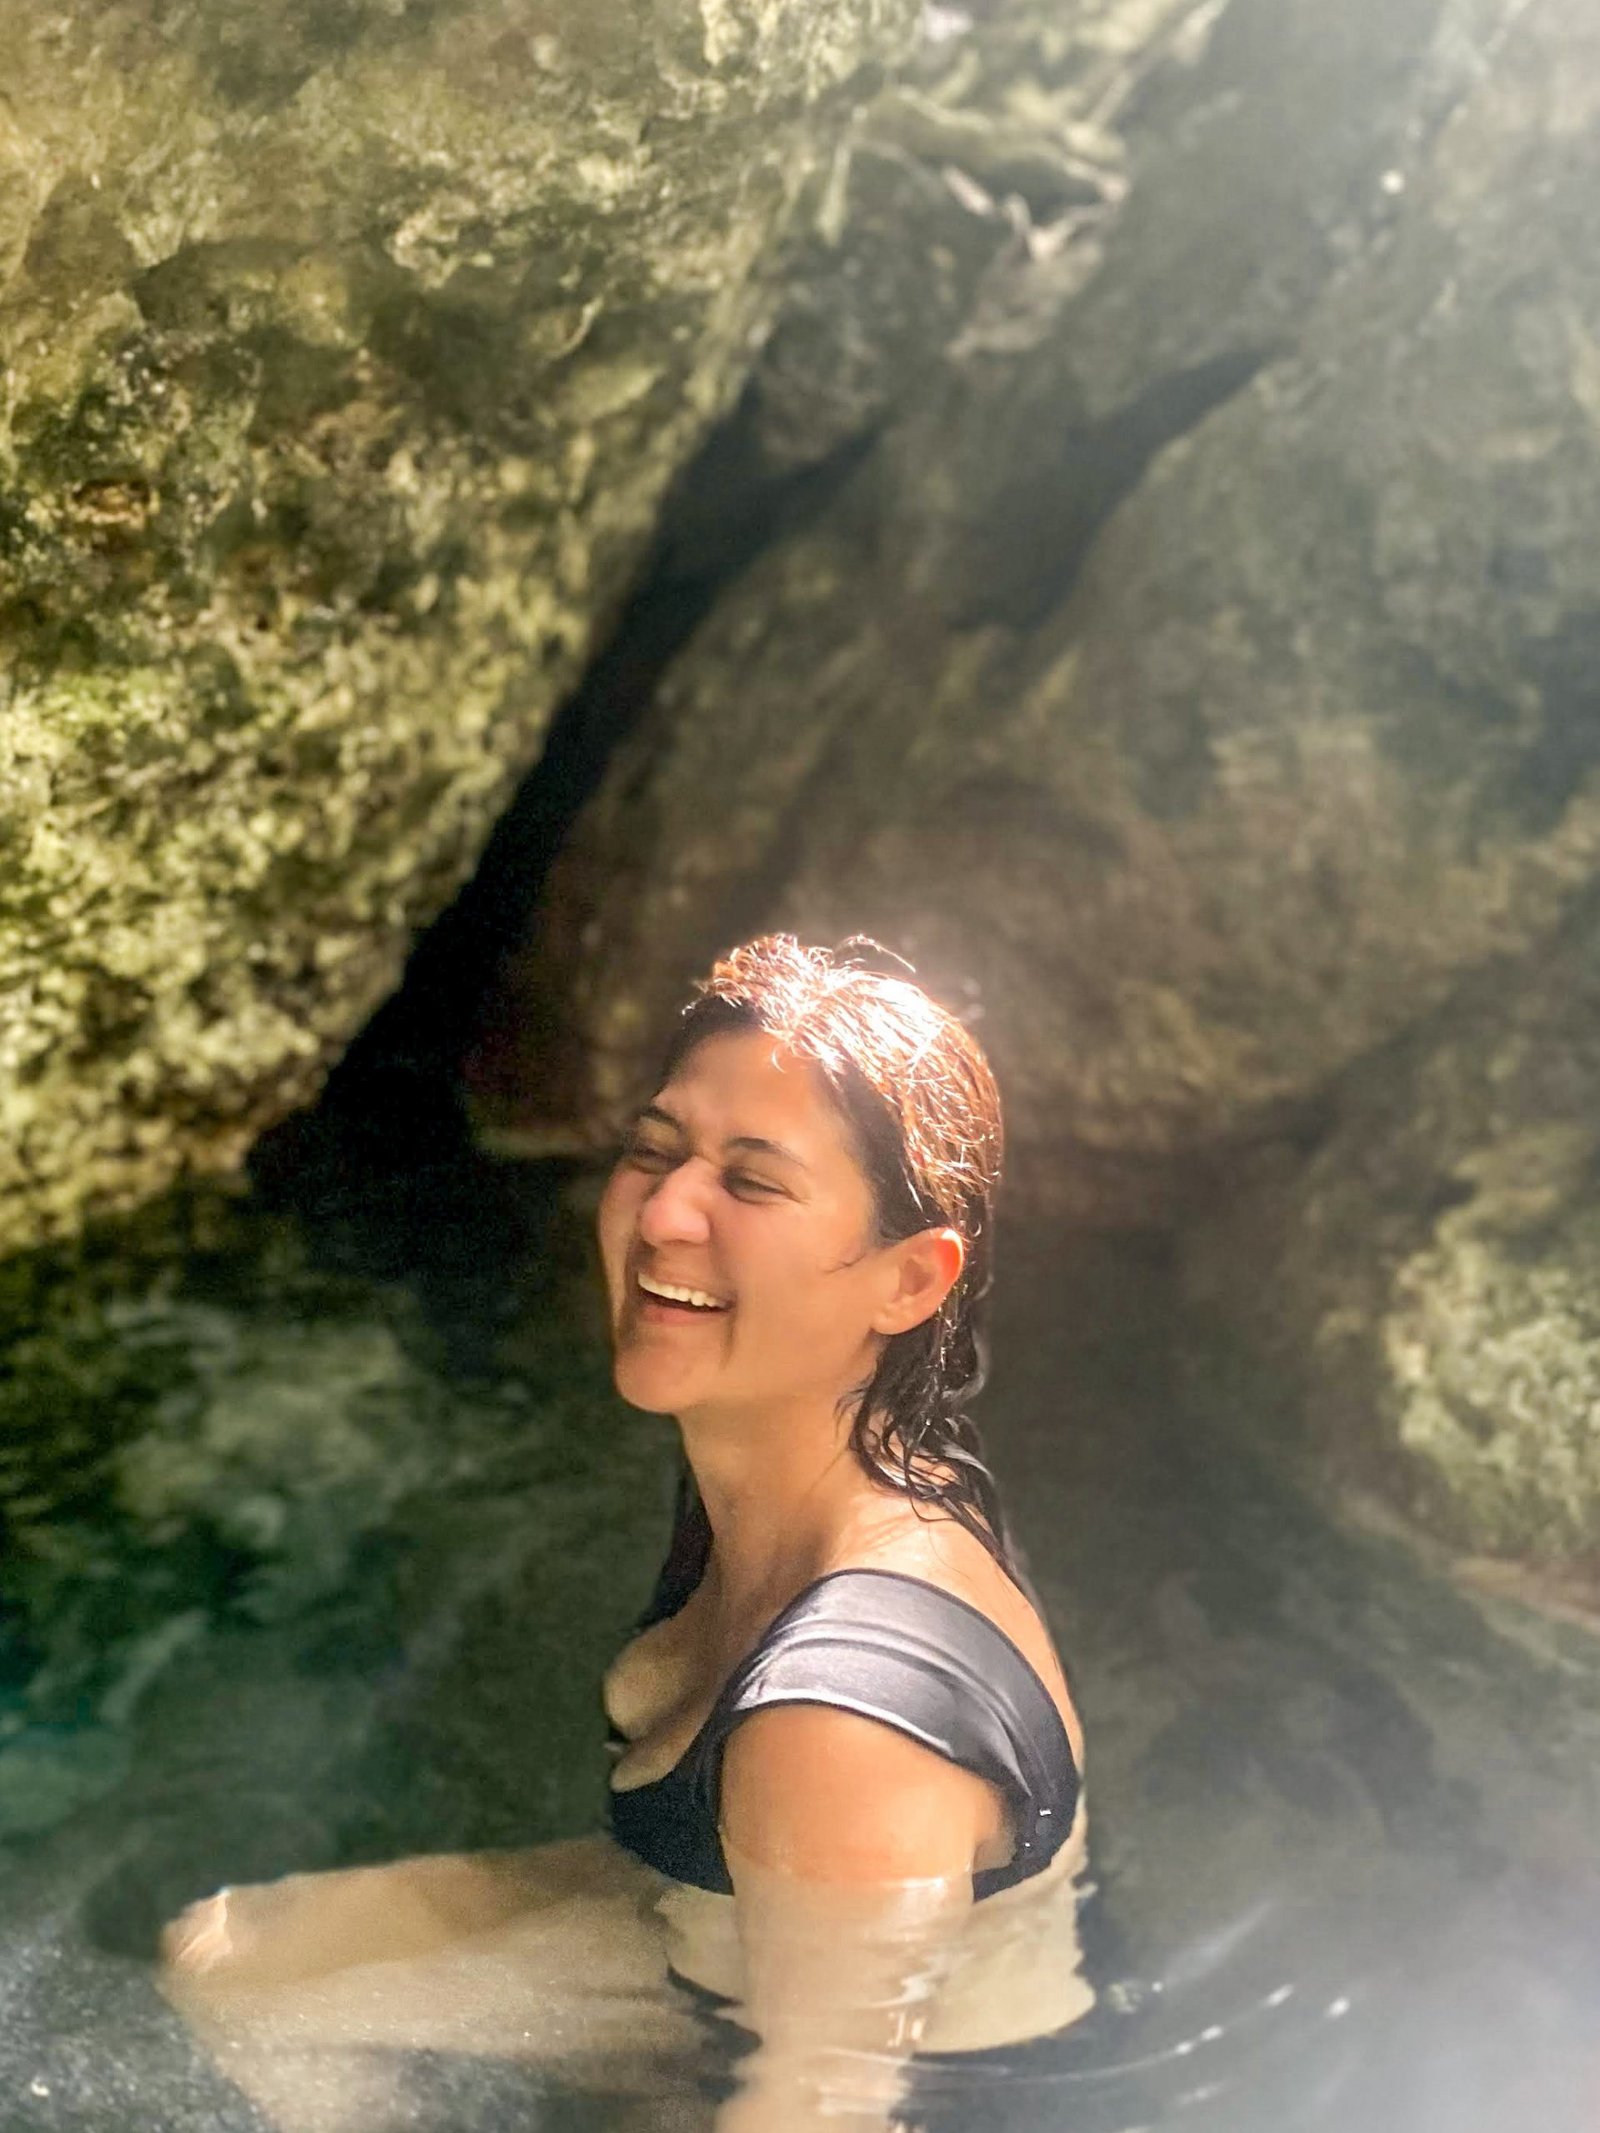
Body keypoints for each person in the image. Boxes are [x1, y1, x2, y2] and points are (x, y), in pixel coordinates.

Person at [162, 936, 1091, 2132]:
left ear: (908, 1283)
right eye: (654, 1150)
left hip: (879, 2074)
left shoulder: (843, 1728)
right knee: (235, 1966)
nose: (663, 1212)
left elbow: (829, 2102)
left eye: (751, 1183)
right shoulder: (806, 1462)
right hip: (709, 1933)